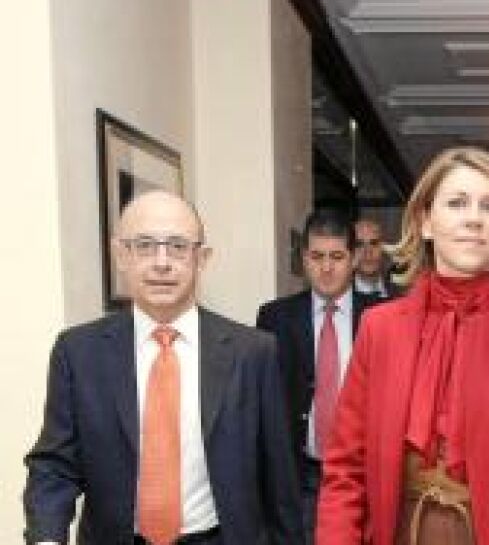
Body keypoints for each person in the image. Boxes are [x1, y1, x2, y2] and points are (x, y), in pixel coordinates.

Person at [316, 146, 489, 545]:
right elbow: (345, 470)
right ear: (425, 221)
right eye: (457, 203)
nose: (474, 219)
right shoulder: (379, 329)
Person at [24, 190, 302, 545]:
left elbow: (280, 481)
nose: (162, 263)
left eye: (178, 246)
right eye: (144, 245)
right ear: (121, 255)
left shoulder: (253, 353)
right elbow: (54, 466)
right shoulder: (78, 353)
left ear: (202, 259)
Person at [255, 208, 382, 543]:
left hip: (365, 475)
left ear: (354, 259)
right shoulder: (274, 318)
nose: (326, 268)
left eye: (337, 257)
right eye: (317, 256)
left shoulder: (381, 317)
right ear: (304, 259)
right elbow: (262, 404)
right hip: (300, 477)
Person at [352, 217, 400, 298]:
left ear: (383, 248)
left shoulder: (398, 292)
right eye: (359, 245)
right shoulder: (340, 296)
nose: (368, 252)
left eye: (374, 243)